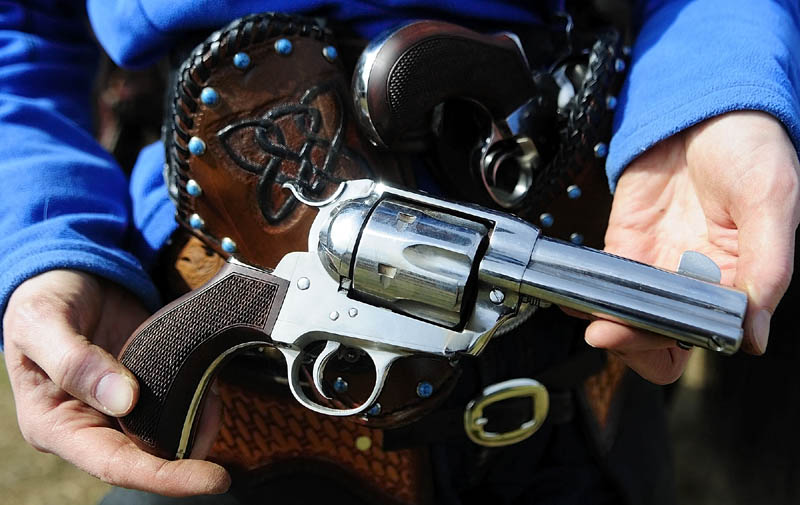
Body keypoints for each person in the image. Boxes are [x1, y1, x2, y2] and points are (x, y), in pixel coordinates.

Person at [0, 0, 798, 503]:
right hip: (251, 409)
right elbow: (21, 32)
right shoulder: (256, 305)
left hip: (575, 388)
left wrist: (721, 97)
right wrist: (49, 237)